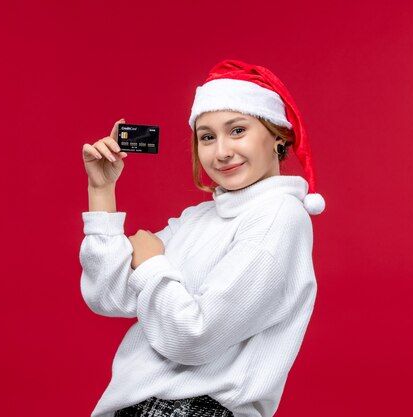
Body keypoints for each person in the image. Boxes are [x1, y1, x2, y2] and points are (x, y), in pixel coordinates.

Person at [79, 59, 325, 417]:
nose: (221, 151)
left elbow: (195, 337)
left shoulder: (278, 217)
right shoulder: (197, 219)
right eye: (207, 137)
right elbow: (109, 295)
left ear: (280, 136)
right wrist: (101, 191)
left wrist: (150, 263)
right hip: (141, 407)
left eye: (237, 130)